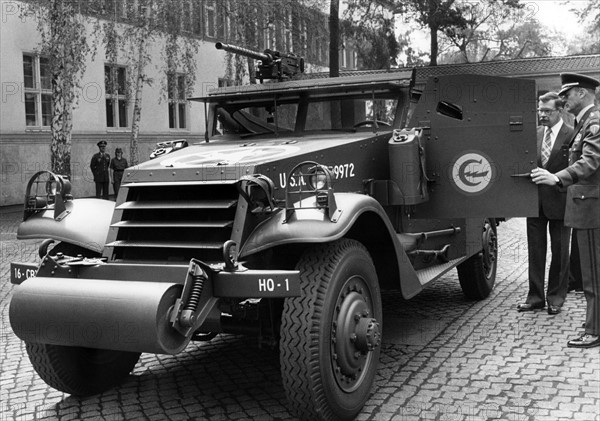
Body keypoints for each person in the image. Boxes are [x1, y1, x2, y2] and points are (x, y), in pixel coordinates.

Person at [531, 72, 600, 348]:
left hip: (590, 207)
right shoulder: (585, 122)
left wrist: (557, 177)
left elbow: (590, 162)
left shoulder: (593, 122)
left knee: (592, 276)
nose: (564, 99)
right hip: (586, 206)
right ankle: (594, 322)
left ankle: (594, 331)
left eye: (567, 94)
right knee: (591, 274)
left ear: (582, 93)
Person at [517, 92, 573, 315]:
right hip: (535, 202)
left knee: (560, 252)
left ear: (560, 110)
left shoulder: (572, 134)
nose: (542, 115)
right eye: (540, 110)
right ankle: (535, 298)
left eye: (547, 111)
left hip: (560, 201)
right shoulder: (535, 134)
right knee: (535, 250)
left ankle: (556, 298)